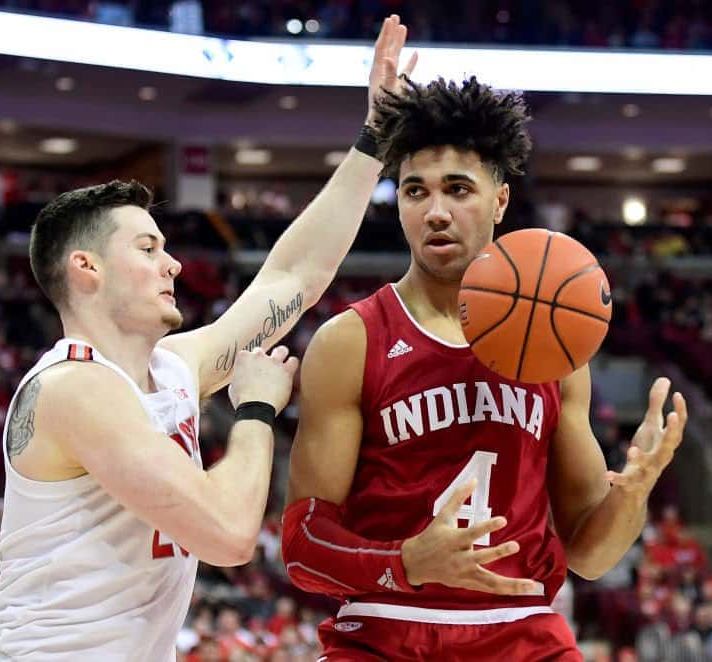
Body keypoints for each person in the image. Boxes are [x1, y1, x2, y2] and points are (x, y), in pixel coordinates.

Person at [0, 15, 417, 660]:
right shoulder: (71, 388)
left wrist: (373, 140)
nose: (175, 264)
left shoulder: (174, 368)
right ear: (87, 267)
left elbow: (294, 276)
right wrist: (256, 409)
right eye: (149, 247)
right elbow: (229, 534)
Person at [281, 77, 688, 660]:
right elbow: (302, 548)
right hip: (384, 627)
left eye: (457, 189)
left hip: (521, 628)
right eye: (415, 192)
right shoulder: (352, 339)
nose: (436, 212)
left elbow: (591, 555)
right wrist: (406, 563)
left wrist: (635, 489)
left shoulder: (555, 347)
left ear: (500, 199)